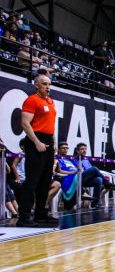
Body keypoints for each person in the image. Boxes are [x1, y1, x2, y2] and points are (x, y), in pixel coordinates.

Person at [18, 74, 58, 227]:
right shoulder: (31, 100)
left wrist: (53, 140)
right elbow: (25, 124)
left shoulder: (50, 101)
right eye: (44, 84)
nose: (48, 87)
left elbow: (50, 123)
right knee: (32, 180)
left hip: (48, 140)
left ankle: (41, 214)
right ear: (36, 85)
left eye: (49, 84)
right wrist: (36, 142)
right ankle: (24, 217)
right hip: (36, 139)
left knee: (45, 180)